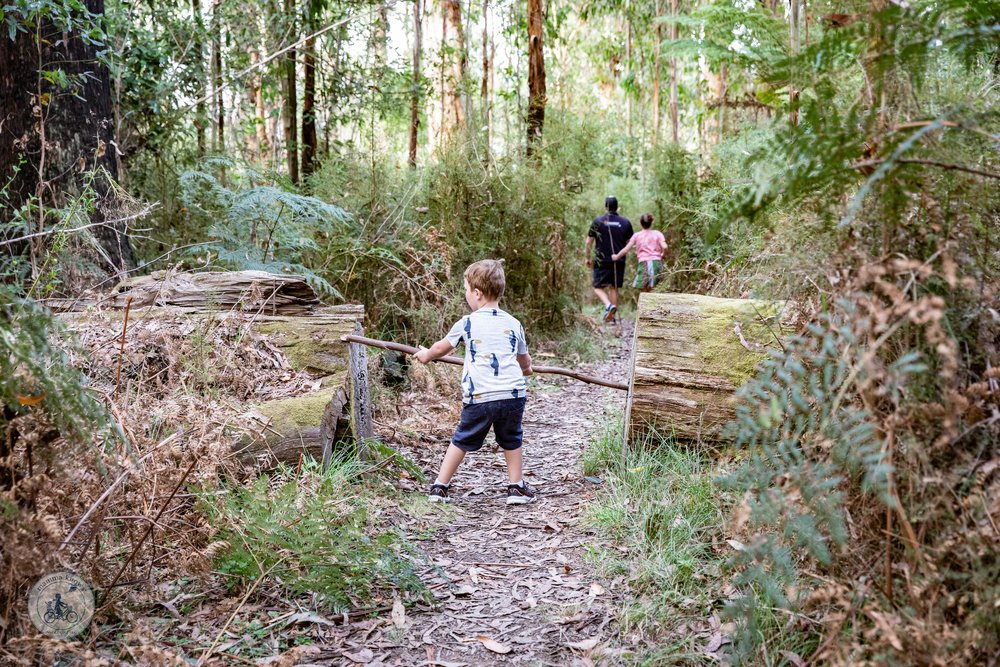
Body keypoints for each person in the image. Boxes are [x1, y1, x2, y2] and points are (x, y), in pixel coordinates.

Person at [414, 259, 536, 505]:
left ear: (477, 294)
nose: (466, 295)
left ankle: (440, 486)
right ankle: (516, 487)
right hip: (512, 395)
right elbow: (524, 359)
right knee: (511, 438)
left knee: (462, 439)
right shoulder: (513, 323)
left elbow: (441, 348)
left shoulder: (467, 323)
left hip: (480, 396)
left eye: (466, 291)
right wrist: (527, 370)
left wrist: (426, 355)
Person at [585, 196, 633, 322]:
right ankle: (612, 317)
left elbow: (589, 242)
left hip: (601, 260)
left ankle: (609, 306)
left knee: (597, 287)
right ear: (617, 207)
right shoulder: (625, 222)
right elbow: (630, 242)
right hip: (618, 260)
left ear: (605, 207)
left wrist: (587, 257)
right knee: (614, 287)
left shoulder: (597, 221)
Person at [611, 212, 668, 292]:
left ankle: (646, 304)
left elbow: (626, 249)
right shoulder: (657, 234)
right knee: (655, 289)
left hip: (644, 263)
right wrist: (663, 254)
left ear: (640, 224)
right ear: (652, 223)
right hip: (656, 263)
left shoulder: (637, 236)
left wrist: (616, 256)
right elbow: (665, 247)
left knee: (644, 290)